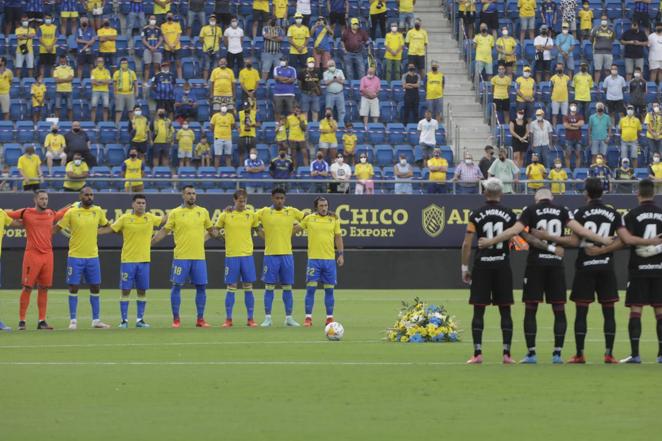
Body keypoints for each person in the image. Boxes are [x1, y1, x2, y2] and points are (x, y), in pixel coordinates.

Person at [531, 177, 661, 363]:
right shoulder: (613, 213)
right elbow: (624, 239)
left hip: (586, 266)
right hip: (607, 267)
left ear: (586, 193)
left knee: (582, 311)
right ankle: (609, 353)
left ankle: (580, 354)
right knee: (608, 311)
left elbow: (574, 242)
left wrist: (547, 236)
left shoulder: (581, 213)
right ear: (603, 192)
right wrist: (605, 250)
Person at [477, 187, 611, 363]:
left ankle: (531, 354)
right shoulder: (562, 210)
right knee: (559, 309)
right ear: (551, 197)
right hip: (556, 265)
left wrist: (489, 242)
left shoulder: (530, 210)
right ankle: (557, 354)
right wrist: (603, 240)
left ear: (536, 198)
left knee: (531, 309)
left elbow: (512, 231)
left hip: (535, 265)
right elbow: (581, 233)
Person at [461, 178, 517, 364]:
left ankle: (477, 353)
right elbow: (517, 237)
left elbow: (467, 243)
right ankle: (506, 354)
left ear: (485, 192)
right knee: (505, 310)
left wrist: (464, 267)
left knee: (479, 311)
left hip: (482, 266)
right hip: (502, 265)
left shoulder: (475, 215)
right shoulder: (510, 214)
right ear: (501, 193)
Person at [151, 186, 214, 328]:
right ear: (183, 196)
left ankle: (200, 319)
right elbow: (164, 230)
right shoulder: (175, 213)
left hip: (199, 257)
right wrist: (151, 242)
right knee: (176, 286)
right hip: (181, 257)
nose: (192, 196)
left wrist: (223, 238)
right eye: (189, 193)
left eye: (193, 193)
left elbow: (211, 231)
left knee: (201, 287)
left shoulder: (203, 212)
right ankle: (176, 319)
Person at [98, 195, 164, 328]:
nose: (141, 205)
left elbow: (165, 219)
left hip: (144, 260)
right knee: (125, 290)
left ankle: (140, 320)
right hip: (128, 260)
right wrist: (93, 232)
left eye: (143, 203)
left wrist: (179, 210)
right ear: (133, 204)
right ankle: (124, 320)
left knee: (142, 290)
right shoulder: (125, 218)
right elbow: (111, 229)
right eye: (138, 203)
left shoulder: (150, 217)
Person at [9, 191, 68, 330]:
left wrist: (73, 206)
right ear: (35, 199)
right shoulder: (25, 212)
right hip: (32, 255)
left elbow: (61, 213)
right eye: (41, 198)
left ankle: (42, 321)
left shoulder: (50, 214)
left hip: (48, 256)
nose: (44, 201)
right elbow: (7, 215)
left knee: (44, 288)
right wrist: (16, 223)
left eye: (46, 199)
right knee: (27, 287)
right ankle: (22, 321)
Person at [53, 187, 110, 330]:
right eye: (86, 195)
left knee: (95, 286)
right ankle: (73, 321)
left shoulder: (97, 210)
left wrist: (96, 233)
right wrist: (41, 234)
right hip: (75, 256)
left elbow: (108, 227)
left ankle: (96, 320)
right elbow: (57, 228)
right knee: (73, 287)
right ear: (80, 196)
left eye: (91, 194)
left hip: (92, 256)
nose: (89, 197)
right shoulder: (71, 212)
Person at [256, 188, 304, 327]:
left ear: (285, 199)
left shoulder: (291, 211)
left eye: (282, 198)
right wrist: (260, 232)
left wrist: (295, 230)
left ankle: (289, 318)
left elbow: (308, 219)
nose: (279, 201)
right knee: (269, 287)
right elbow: (250, 219)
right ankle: (268, 318)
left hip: (287, 255)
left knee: (287, 287)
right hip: (270, 255)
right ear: (272, 198)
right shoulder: (264, 212)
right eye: (277, 198)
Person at [293, 197, 344, 327]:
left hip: (329, 261)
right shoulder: (309, 218)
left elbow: (338, 237)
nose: (324, 208)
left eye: (326, 205)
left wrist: (341, 254)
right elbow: (295, 230)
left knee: (329, 290)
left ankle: (329, 318)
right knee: (310, 289)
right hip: (314, 260)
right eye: (321, 205)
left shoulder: (334, 219)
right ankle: (308, 318)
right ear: (316, 207)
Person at [214, 189, 260, 327]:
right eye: (240, 201)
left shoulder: (251, 215)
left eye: (244, 201)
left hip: (247, 256)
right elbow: (215, 230)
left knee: (248, 286)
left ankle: (250, 319)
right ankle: (228, 319)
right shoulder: (225, 215)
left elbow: (259, 230)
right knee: (231, 287)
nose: (242, 203)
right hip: (232, 256)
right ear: (234, 200)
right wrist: (221, 238)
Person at [113, 58, 138, 124]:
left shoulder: (132, 72)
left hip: (130, 93)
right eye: (122, 63)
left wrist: (136, 92)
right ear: (120, 64)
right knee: (119, 110)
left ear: (127, 64)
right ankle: (117, 124)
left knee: (131, 110)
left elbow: (135, 83)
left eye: (125, 63)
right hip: (120, 93)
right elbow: (114, 84)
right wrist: (115, 94)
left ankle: (133, 125)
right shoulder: (116, 73)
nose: (124, 64)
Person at [591, 16, 615, 82]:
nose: (604, 20)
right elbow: (591, 39)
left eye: (605, 19)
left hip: (608, 52)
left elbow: (613, 39)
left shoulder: (611, 30)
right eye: (602, 19)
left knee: (608, 70)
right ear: (600, 20)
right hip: (598, 52)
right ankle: (596, 85)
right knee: (597, 70)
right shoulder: (595, 29)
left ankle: (608, 84)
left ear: (607, 21)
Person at [198, 15, 222, 80]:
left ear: (216, 21)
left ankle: (213, 80)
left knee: (215, 66)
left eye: (214, 20)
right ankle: (205, 81)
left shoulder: (219, 29)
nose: (212, 21)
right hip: (206, 50)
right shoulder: (204, 28)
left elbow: (220, 39)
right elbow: (200, 39)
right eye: (211, 19)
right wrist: (207, 45)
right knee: (206, 66)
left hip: (216, 50)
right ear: (209, 20)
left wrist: (216, 46)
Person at [141, 15, 164, 83]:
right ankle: (145, 82)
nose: (153, 20)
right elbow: (143, 39)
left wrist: (156, 47)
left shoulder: (159, 29)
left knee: (157, 66)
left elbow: (161, 39)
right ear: (149, 20)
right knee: (147, 66)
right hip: (148, 49)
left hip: (157, 50)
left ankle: (157, 82)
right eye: (151, 19)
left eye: (154, 19)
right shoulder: (145, 29)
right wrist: (149, 47)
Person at [299, 57, 322, 122]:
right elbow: (299, 83)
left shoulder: (318, 72)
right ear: (306, 63)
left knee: (315, 111)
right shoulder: (302, 72)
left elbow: (319, 82)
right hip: (305, 94)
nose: (311, 63)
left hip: (315, 94)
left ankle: (314, 125)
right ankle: (305, 126)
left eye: (312, 62)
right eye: (309, 62)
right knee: (304, 111)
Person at [161, 12, 183, 78]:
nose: (170, 17)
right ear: (166, 17)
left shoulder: (177, 25)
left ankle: (180, 79)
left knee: (178, 64)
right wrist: (170, 46)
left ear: (173, 17)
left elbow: (179, 36)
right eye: (168, 15)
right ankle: (167, 78)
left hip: (177, 47)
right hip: (167, 48)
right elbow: (164, 36)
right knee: (167, 64)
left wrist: (174, 45)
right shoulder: (163, 25)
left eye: (171, 15)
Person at [90, 57, 111, 122]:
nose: (100, 63)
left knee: (106, 107)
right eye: (99, 61)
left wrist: (99, 81)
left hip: (105, 91)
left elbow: (109, 81)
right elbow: (92, 81)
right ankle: (92, 123)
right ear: (96, 63)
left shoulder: (107, 71)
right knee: (93, 107)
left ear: (103, 63)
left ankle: (105, 123)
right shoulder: (93, 71)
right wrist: (103, 81)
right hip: (95, 91)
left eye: (101, 61)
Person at [563, 103, 584, 169]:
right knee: (568, 155)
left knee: (578, 154)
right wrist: (576, 126)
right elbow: (566, 125)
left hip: (578, 138)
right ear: (569, 107)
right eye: (572, 105)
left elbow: (581, 123)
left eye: (575, 105)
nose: (573, 107)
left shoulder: (580, 116)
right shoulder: (566, 116)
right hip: (569, 138)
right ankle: (568, 170)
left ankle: (577, 170)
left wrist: (571, 124)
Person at [38, 13, 58, 77]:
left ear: (51, 19)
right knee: (42, 65)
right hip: (43, 50)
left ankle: (52, 78)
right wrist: (46, 46)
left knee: (52, 65)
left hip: (52, 50)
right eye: (46, 18)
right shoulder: (41, 27)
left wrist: (51, 46)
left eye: (49, 18)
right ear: (44, 19)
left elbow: (56, 38)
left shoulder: (55, 27)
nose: (48, 20)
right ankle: (42, 77)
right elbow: (39, 38)